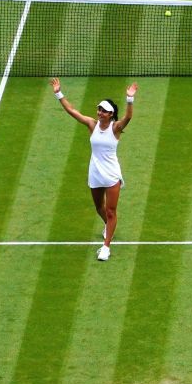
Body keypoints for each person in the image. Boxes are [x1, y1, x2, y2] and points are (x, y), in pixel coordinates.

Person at [49, 77, 137, 261]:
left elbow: (128, 117)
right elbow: (72, 111)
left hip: (111, 174)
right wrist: (58, 93)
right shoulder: (92, 124)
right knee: (99, 207)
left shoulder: (116, 128)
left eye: (103, 110)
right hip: (95, 172)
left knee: (112, 211)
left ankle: (106, 247)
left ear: (111, 114)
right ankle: (108, 226)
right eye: (99, 109)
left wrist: (130, 99)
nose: (99, 112)